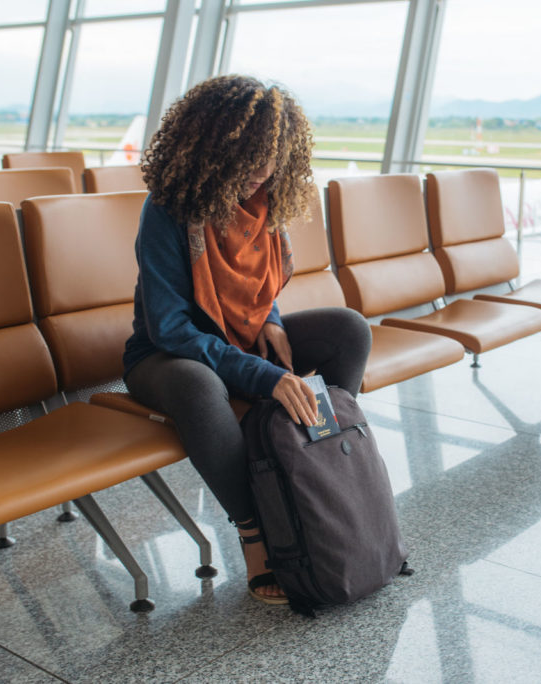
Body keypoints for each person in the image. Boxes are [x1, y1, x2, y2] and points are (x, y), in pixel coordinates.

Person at [123, 75, 372, 605]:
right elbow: (170, 328)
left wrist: (273, 321)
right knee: (196, 385)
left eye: (274, 156)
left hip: (241, 344)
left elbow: (259, 290)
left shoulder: (266, 203)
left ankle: (319, 466)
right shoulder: (168, 210)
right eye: (252, 156)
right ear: (215, 149)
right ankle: (256, 528)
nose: (263, 169)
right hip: (167, 356)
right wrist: (266, 375)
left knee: (348, 329)